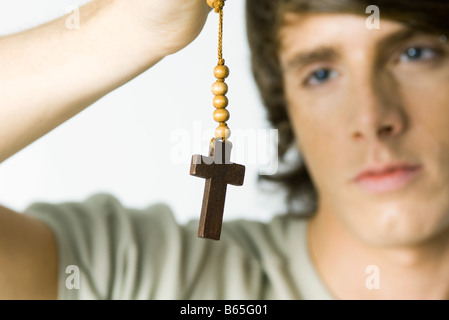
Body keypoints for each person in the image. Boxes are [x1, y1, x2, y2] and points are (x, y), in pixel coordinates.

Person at [1, 0, 449, 300]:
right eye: (320, 74)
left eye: (414, 53)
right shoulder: (148, 275)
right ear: (284, 102)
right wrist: (116, 32)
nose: (371, 118)